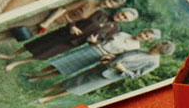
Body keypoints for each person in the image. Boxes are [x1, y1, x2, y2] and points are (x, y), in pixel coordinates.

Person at [0, 0, 127, 54]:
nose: (108, 4)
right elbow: (63, 8)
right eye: (109, 0)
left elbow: (75, 20)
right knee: (17, 28)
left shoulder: (97, 11)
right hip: (48, 17)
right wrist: (47, 22)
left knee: (21, 35)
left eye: (112, 5)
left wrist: (73, 26)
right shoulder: (88, 1)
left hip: (56, 24)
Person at [36, 41, 176, 104]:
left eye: (156, 47)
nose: (153, 47)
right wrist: (110, 58)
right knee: (74, 79)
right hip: (103, 66)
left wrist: (123, 70)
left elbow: (135, 76)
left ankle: (46, 99)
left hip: (108, 76)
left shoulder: (153, 63)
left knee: (78, 86)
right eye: (155, 45)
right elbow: (120, 57)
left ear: (160, 52)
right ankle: (45, 90)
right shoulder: (140, 50)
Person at [3, 8, 140, 68]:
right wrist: (72, 26)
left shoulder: (115, 29)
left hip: (74, 42)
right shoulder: (99, 13)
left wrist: (94, 42)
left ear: (126, 21)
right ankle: (12, 55)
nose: (121, 17)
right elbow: (75, 17)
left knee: (45, 53)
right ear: (120, 11)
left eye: (125, 18)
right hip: (65, 33)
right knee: (38, 44)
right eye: (122, 14)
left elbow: (102, 41)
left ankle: (16, 64)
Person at [23, 27, 161, 81]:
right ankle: (35, 74)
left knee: (66, 69)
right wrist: (94, 42)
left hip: (99, 58)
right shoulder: (123, 33)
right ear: (142, 30)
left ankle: (38, 79)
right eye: (145, 33)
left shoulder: (136, 48)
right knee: (60, 62)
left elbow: (119, 58)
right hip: (92, 49)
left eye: (147, 37)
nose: (143, 35)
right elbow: (103, 40)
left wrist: (110, 58)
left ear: (148, 40)